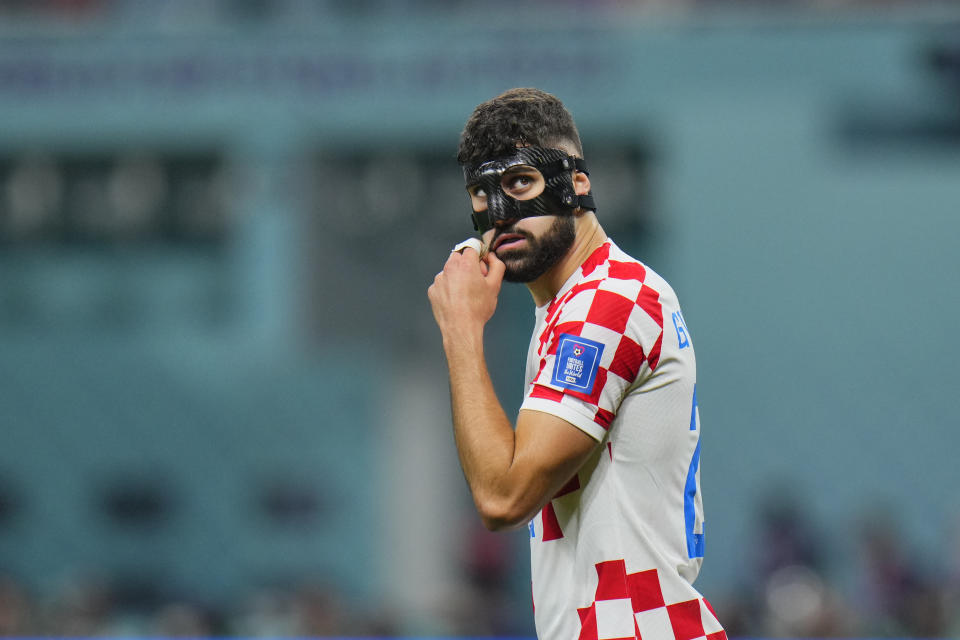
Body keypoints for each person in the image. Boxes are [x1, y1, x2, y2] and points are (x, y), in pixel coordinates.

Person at [428, 88, 725, 640]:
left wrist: (462, 331)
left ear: (577, 184)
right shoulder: (569, 305)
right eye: (480, 192)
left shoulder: (606, 303)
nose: (500, 213)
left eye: (519, 182)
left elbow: (503, 497)